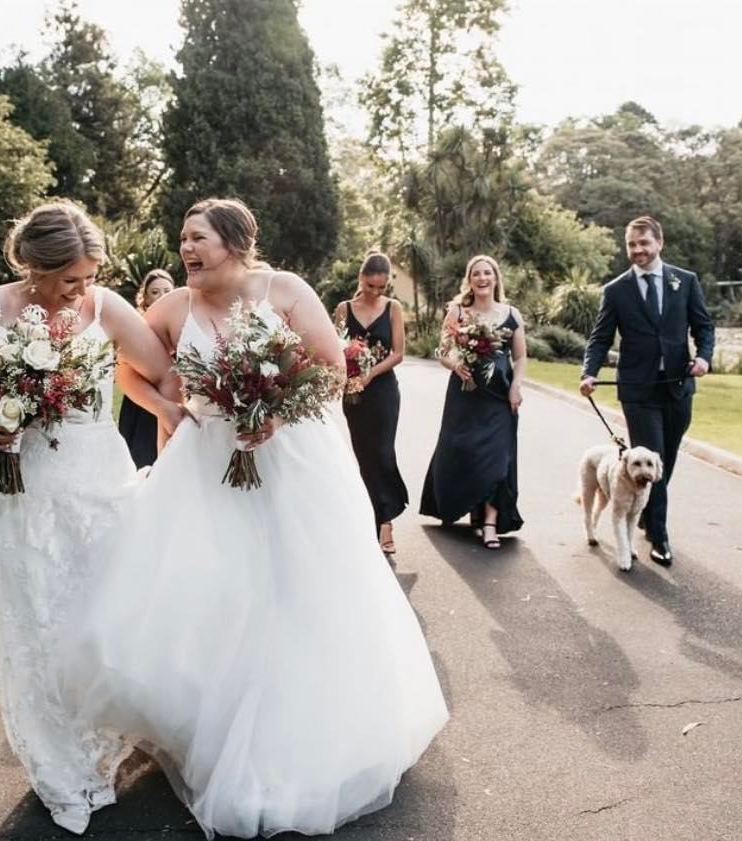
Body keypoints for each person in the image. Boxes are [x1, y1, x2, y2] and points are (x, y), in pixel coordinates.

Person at [61, 198, 447, 839]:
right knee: (213, 587)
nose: (185, 249)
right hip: (204, 466)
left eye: (197, 238)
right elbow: (128, 370)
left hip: (290, 462)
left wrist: (277, 413)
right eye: (182, 239)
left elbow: (331, 370)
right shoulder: (172, 308)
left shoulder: (285, 290)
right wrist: (166, 408)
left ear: (235, 243)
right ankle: (209, 718)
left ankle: (291, 733)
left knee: (291, 589)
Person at [0, 201, 185, 834]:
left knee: (105, 615)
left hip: (99, 484)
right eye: (69, 279)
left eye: (89, 276)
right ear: (30, 265)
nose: (81, 290)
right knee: (35, 624)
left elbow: (163, 372)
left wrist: (181, 418)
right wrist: (1, 419)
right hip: (17, 490)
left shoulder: (106, 308)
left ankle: (111, 732)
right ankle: (61, 762)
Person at [580, 215, 714, 566]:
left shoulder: (684, 282)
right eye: (632, 245)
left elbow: (704, 326)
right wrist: (589, 373)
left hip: (677, 388)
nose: (638, 250)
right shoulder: (616, 290)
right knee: (652, 455)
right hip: (638, 392)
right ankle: (660, 538)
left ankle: (647, 515)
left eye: (644, 243)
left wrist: (703, 358)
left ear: (659, 243)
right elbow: (600, 338)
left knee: (661, 467)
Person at [419, 255, 527, 549]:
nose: (482, 278)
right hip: (464, 396)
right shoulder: (457, 311)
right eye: (476, 274)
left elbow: (520, 357)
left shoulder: (511, 314)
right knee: (462, 451)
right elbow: (442, 351)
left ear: (495, 278)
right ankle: (470, 508)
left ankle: (490, 523)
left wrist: (516, 385)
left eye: (487, 273)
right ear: (469, 279)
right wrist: (455, 365)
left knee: (498, 458)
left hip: (500, 398)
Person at [333, 250, 409, 555]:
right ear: (360, 279)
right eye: (370, 286)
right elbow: (335, 349)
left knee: (383, 452)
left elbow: (398, 353)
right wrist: (348, 376)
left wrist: (370, 374)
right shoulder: (343, 309)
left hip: (383, 391)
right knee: (364, 456)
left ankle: (386, 520)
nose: (376, 292)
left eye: (381, 287)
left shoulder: (393, 308)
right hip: (353, 393)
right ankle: (372, 519)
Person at [118, 269, 177, 468]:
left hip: (174, 396)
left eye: (167, 291)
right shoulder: (136, 325)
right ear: (146, 297)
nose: (162, 296)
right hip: (143, 400)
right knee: (140, 455)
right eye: (155, 292)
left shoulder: (182, 322)